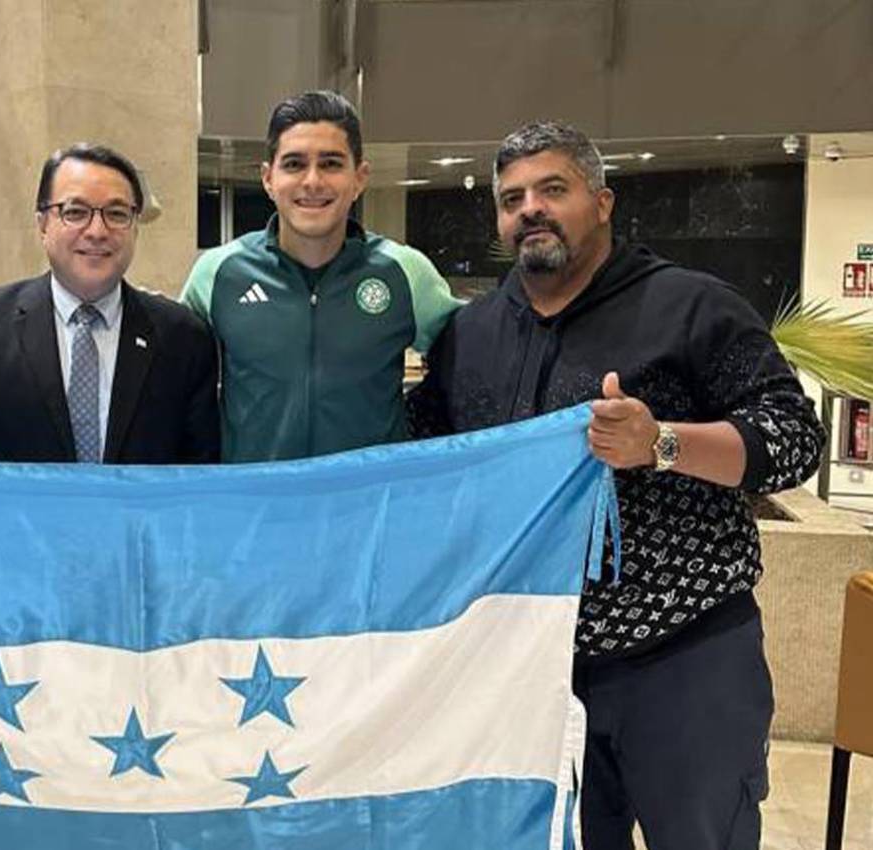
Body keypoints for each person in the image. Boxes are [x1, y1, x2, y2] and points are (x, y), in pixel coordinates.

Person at [408, 121, 825, 850]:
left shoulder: (692, 307)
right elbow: (424, 460)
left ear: (602, 202)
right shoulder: (471, 335)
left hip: (684, 661)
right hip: (531, 667)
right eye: (512, 198)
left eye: (553, 189)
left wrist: (660, 442)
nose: (530, 208)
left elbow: (794, 441)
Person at [180, 90, 459, 462]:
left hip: (368, 509)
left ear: (359, 178)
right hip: (257, 509)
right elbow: (173, 384)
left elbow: (474, 367)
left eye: (330, 164)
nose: (312, 181)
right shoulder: (218, 273)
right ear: (268, 178)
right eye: (294, 164)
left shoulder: (405, 272)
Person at [0, 144, 219, 463]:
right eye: (75, 212)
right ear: (43, 224)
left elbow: (197, 472)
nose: (97, 231)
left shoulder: (183, 338)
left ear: (135, 226)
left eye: (117, 214)